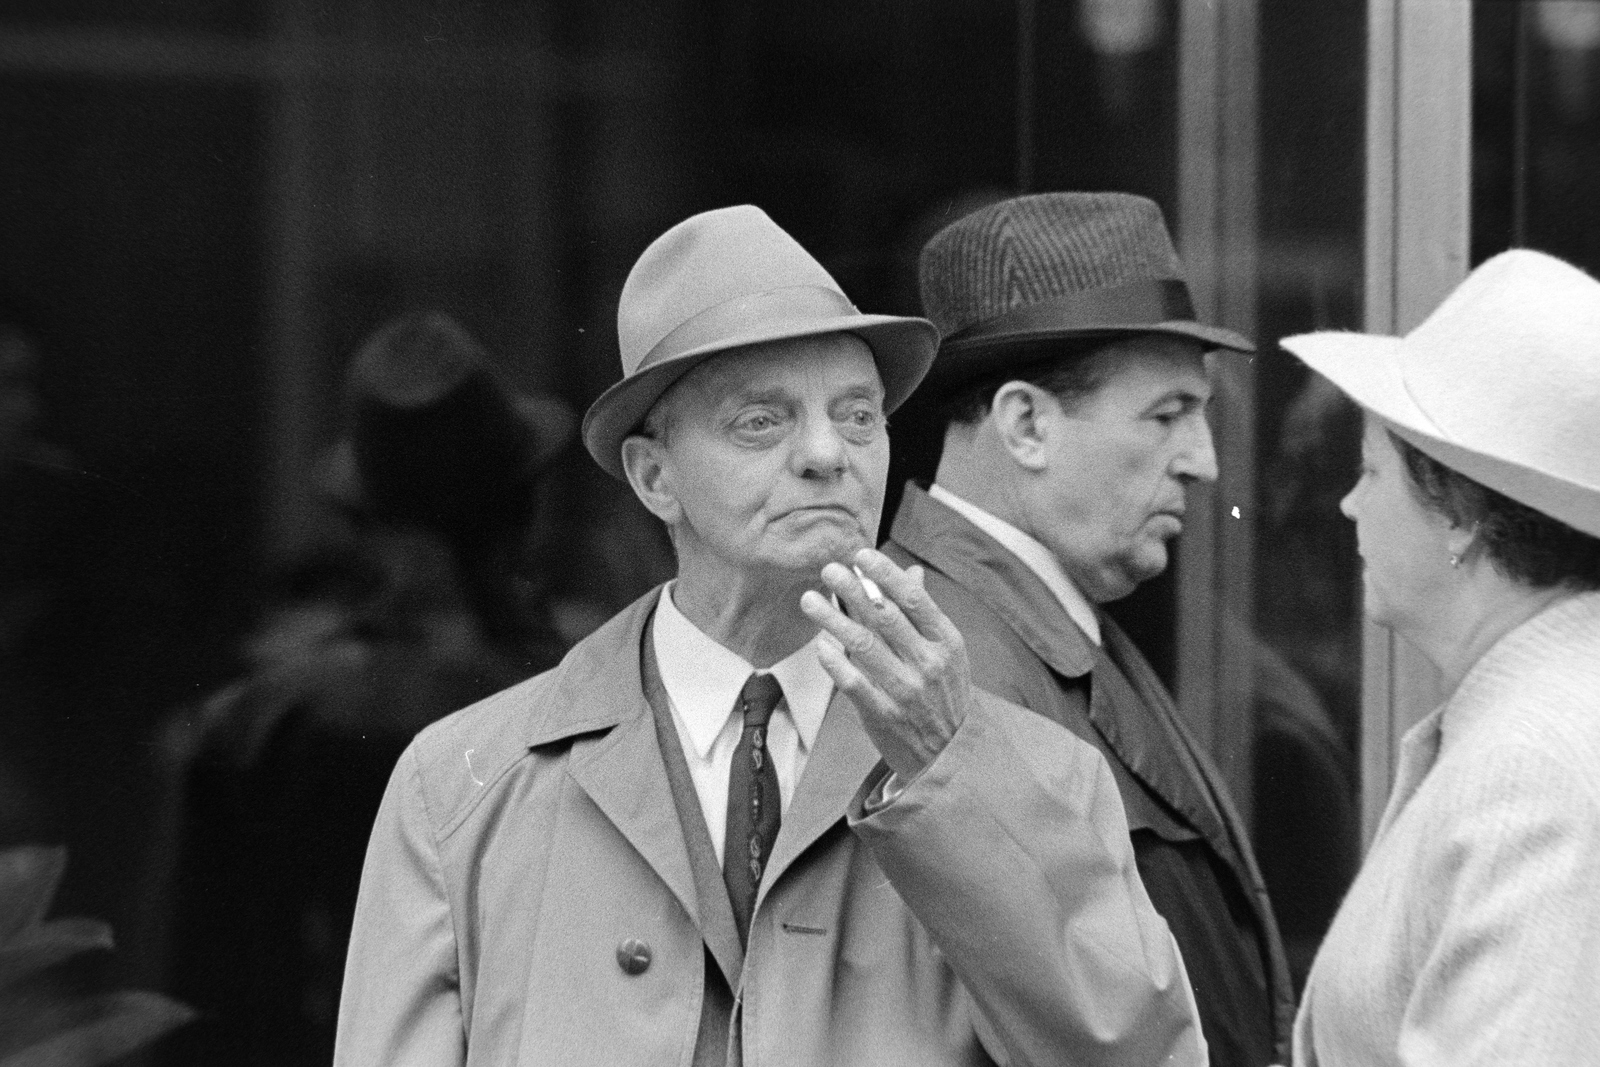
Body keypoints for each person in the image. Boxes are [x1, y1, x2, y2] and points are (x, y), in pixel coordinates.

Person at [335, 204, 1208, 1066]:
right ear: (653, 476)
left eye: (859, 415)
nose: (829, 453)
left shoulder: (1038, 774)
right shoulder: (461, 791)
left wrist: (953, 772)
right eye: (764, 420)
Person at [887, 192, 1294, 1067]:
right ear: (1026, 423)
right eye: (1166, 414)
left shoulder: (1006, 625)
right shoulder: (943, 659)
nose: (1203, 459)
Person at [156, 311, 572, 1067]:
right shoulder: (589, 705)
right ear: (521, 509)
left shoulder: (255, 724)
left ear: (370, 524)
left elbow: (201, 1007)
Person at [1280, 248, 1600, 1065]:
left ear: (1459, 513)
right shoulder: (1533, 718)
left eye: (1370, 470)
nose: (1349, 503)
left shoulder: (1536, 763)